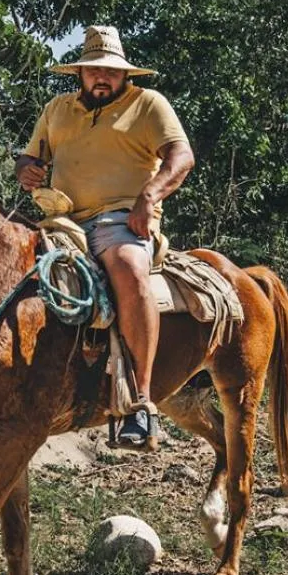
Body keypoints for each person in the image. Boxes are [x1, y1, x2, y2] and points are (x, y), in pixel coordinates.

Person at [16, 25, 195, 447]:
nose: (102, 78)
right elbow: (30, 155)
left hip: (122, 219)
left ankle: (141, 403)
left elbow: (181, 156)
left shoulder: (148, 104)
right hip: (62, 220)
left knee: (130, 270)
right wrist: (26, 169)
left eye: (111, 71)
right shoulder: (57, 109)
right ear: (79, 73)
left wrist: (149, 196)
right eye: (93, 70)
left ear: (124, 74)